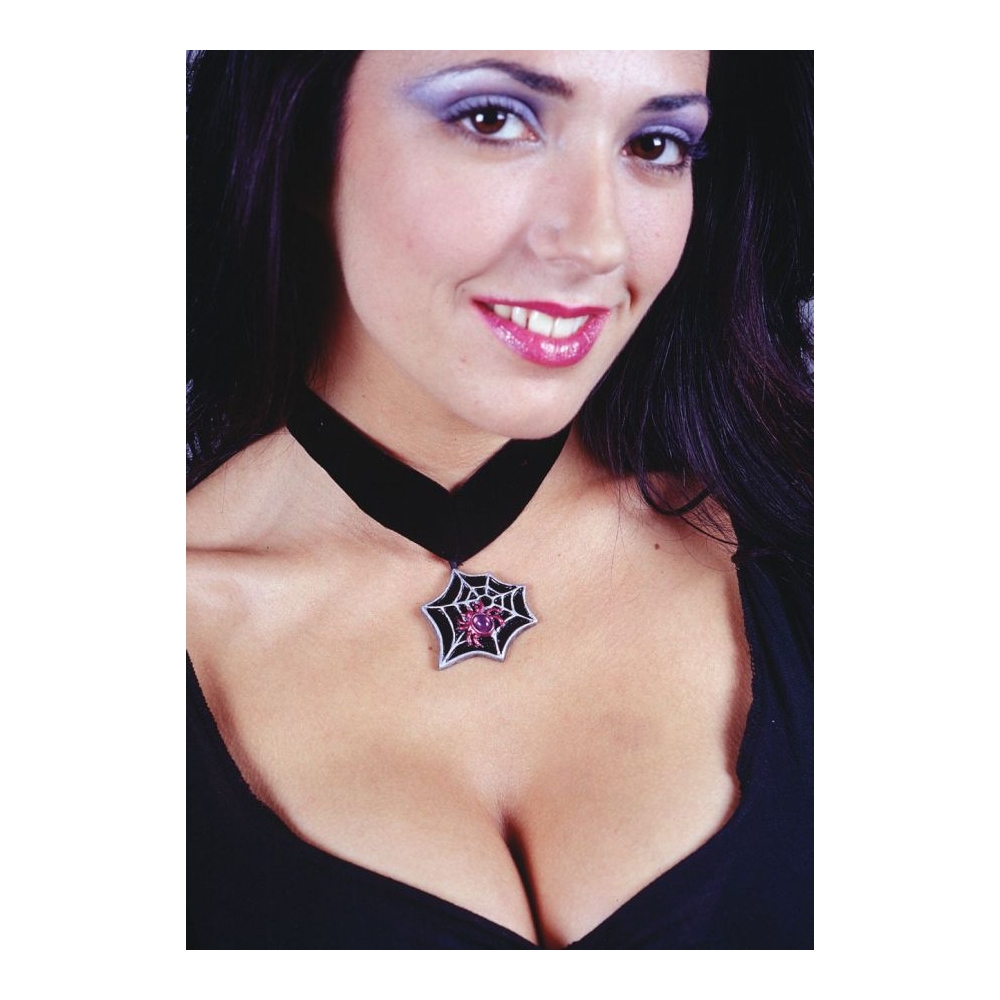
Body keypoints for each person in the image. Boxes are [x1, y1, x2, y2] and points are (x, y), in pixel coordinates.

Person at [186, 50, 813, 950]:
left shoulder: (808, 538)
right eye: (492, 120)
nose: (597, 241)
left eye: (656, 144)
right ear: (302, 138)